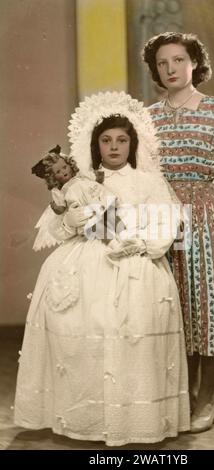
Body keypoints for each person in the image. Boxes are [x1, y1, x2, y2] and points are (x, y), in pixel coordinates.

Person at [14, 91, 190, 446]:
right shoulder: (79, 182)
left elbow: (169, 228)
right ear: (96, 146)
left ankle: (133, 420)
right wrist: (73, 221)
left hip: (134, 264)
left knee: (132, 332)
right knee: (82, 336)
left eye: (122, 140)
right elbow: (52, 231)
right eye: (106, 141)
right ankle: (86, 418)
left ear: (132, 144)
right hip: (83, 264)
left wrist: (138, 243)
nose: (114, 147)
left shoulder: (149, 182)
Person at [142, 32, 214, 433]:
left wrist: (198, 198)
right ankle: (181, 397)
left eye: (178, 60)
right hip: (160, 221)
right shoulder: (147, 118)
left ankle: (207, 400)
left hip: (205, 220)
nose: (170, 69)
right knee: (176, 309)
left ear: (194, 64)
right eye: (162, 63)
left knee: (208, 309)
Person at [31, 144, 116, 251]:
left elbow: (95, 180)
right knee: (95, 226)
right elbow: (61, 207)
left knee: (112, 214)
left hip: (96, 199)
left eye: (64, 167)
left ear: (70, 165)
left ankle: (123, 237)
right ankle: (113, 244)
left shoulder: (80, 177)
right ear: (53, 178)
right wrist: (57, 209)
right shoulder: (60, 191)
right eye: (58, 172)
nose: (64, 172)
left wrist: (98, 177)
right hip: (84, 211)